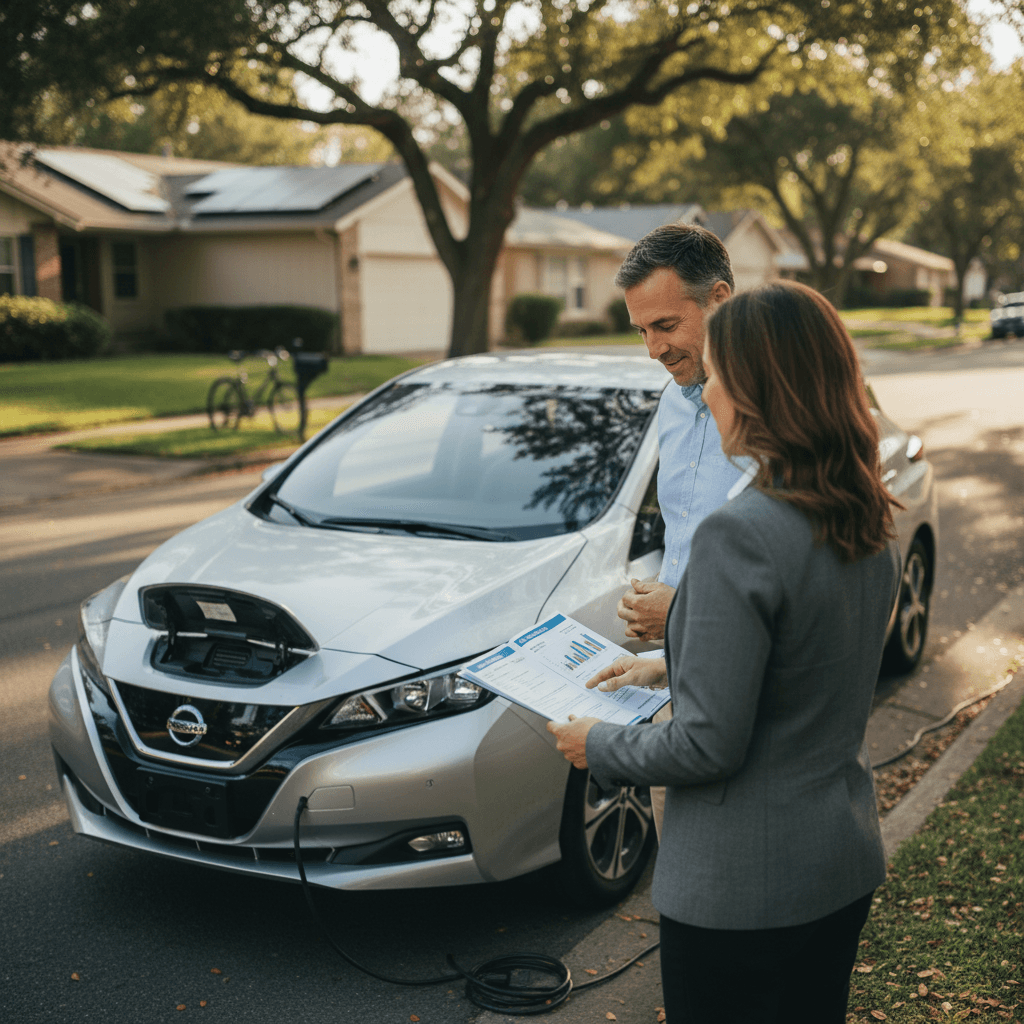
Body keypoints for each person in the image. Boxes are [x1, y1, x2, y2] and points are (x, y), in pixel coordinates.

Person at [548, 281, 902, 1024]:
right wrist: (666, 664)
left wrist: (598, 745)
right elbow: (802, 661)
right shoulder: (864, 512)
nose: (707, 399)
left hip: (742, 892)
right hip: (840, 861)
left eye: (722, 380)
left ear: (762, 392)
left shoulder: (740, 533)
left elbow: (707, 747)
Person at [612, 224, 744, 644]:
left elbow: (802, 582)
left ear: (718, 300)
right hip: (681, 662)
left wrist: (678, 610)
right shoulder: (670, 401)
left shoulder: (782, 412)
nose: (653, 349)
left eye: (665, 325)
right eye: (641, 330)